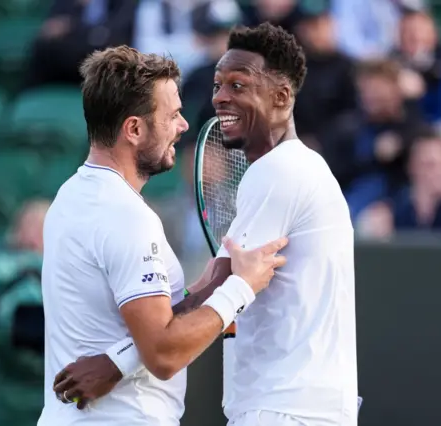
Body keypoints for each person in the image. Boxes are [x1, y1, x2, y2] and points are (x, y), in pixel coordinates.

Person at [55, 23, 359, 426]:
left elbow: (224, 285)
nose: (219, 98)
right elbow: (219, 288)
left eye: (238, 86)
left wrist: (115, 364)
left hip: (287, 410)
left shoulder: (281, 170)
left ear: (282, 96)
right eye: (218, 85)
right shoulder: (295, 169)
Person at [37, 45, 288, 426]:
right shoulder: (127, 217)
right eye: (172, 115)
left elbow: (145, 325)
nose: (183, 126)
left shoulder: (69, 198)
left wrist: (208, 287)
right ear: (134, 129)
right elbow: (163, 353)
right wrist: (243, 288)